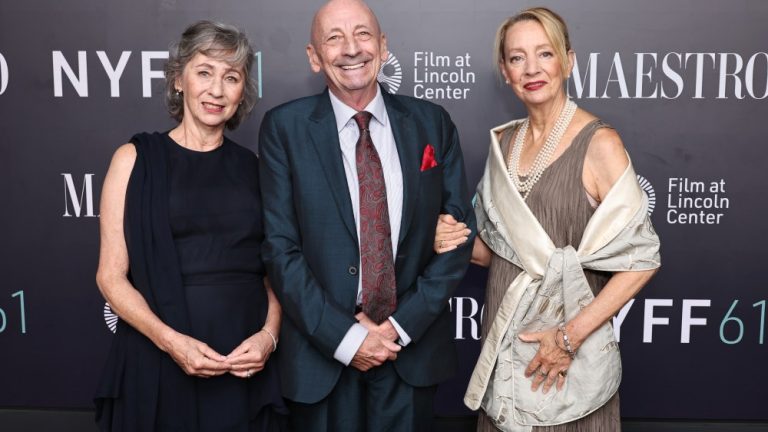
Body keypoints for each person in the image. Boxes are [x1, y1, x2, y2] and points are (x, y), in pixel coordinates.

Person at [434, 7, 661, 432]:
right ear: (504, 70)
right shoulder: (503, 144)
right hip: (505, 348)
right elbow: (494, 254)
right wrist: (453, 238)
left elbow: (643, 260)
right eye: (517, 58)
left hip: (565, 358)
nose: (532, 69)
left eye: (545, 54)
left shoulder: (600, 143)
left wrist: (569, 338)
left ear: (568, 61)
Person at [258, 0, 475, 430]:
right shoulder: (284, 129)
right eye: (333, 38)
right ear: (314, 57)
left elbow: (457, 236)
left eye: (362, 34)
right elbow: (280, 249)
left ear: (383, 44)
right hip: (323, 358)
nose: (351, 48)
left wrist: (396, 326)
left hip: (409, 357)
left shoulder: (433, 123)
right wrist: (348, 338)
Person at [94, 20, 287, 431]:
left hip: (243, 367)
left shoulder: (256, 169)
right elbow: (111, 277)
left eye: (231, 77)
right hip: (157, 361)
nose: (216, 90)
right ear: (179, 79)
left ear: (242, 91)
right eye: (204, 72)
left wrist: (268, 338)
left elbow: (277, 273)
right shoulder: (133, 160)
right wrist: (171, 342)